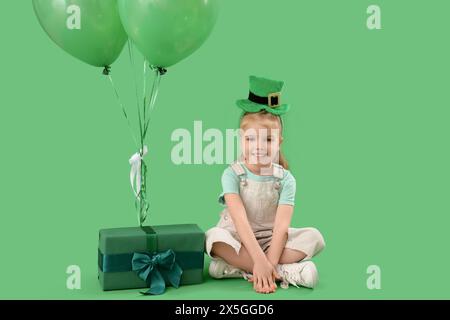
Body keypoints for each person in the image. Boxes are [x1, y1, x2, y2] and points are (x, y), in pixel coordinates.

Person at [205, 75, 326, 294]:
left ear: (279, 141)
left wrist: (266, 260)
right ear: (241, 138)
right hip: (239, 238)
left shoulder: (285, 179)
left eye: (268, 139)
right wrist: (260, 260)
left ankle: (241, 269)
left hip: (273, 242)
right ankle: (285, 271)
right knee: (212, 238)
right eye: (251, 139)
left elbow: (281, 228)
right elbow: (240, 220)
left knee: (314, 237)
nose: (258, 146)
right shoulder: (231, 174)